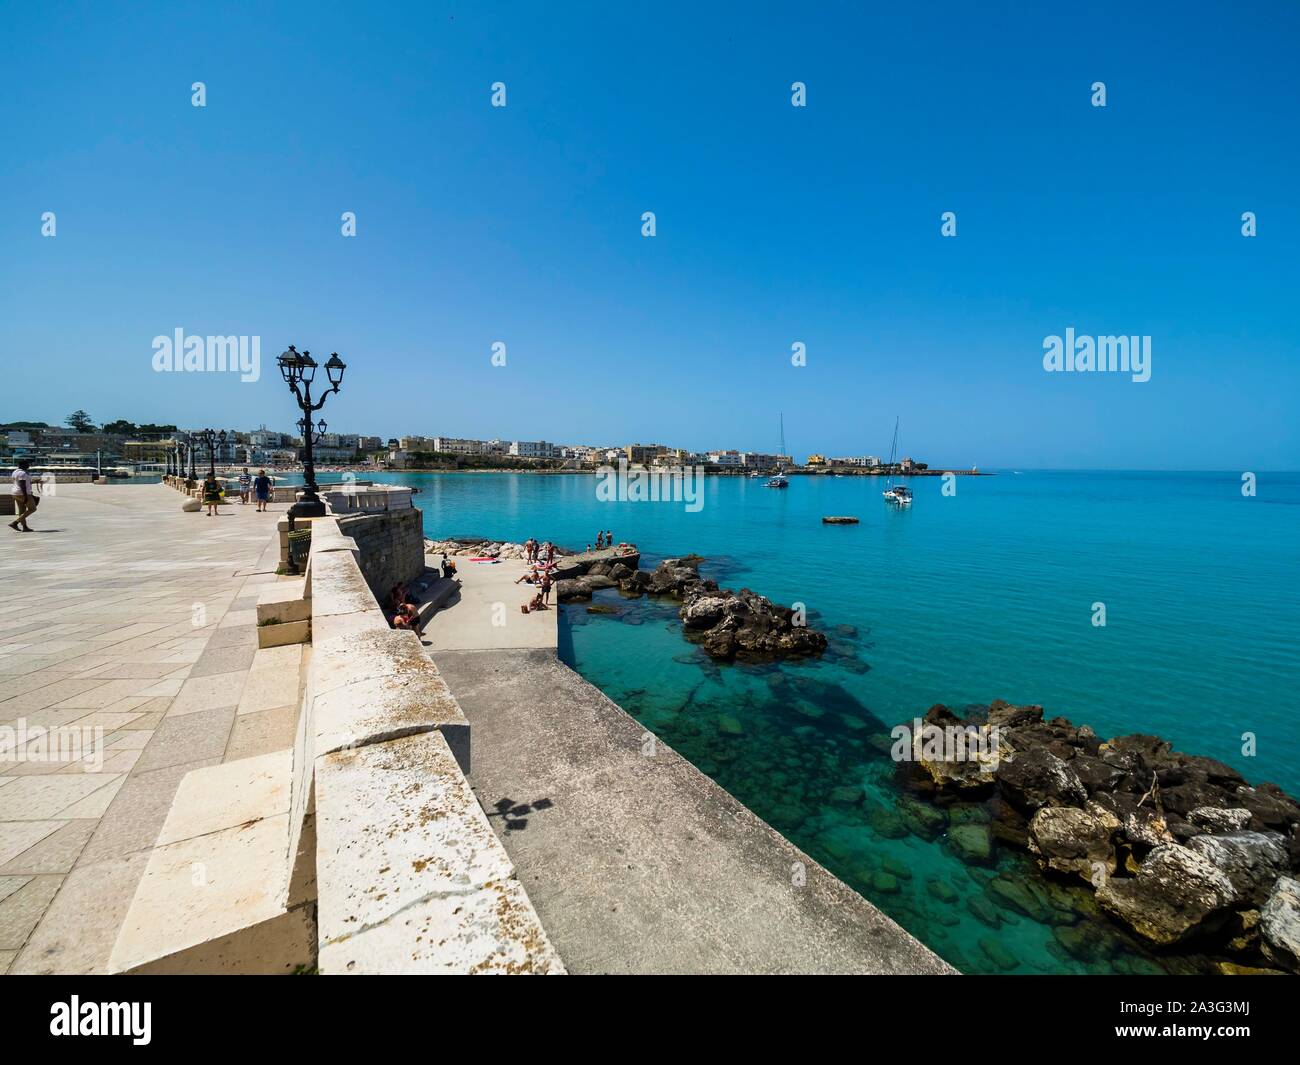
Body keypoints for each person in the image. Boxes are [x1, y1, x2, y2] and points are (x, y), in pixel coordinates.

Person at [8, 458, 36, 532]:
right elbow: (22, 485)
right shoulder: (23, 473)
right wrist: (26, 496)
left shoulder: (15, 472)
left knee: (22, 510)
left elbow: (23, 483)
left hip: (15, 493)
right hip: (22, 493)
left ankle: (25, 527)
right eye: (27, 464)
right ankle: (15, 523)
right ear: (22, 465)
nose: (28, 465)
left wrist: (35, 481)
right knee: (32, 509)